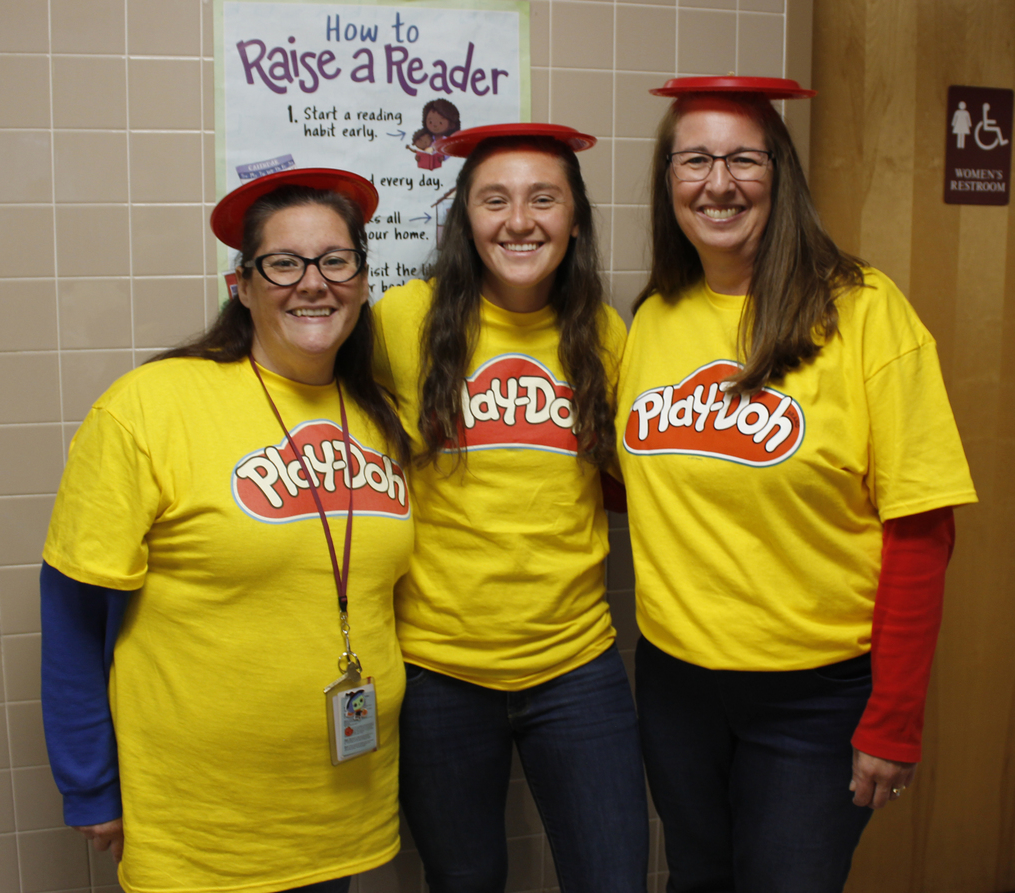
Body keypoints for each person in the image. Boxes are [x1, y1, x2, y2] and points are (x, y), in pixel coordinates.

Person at [617, 77, 978, 893]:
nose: (718, 182)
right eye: (695, 159)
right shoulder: (655, 317)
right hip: (677, 686)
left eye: (743, 158)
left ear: (780, 173)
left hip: (814, 701)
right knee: (697, 879)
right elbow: (641, 486)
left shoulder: (864, 310)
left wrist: (895, 718)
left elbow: (922, 530)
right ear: (666, 179)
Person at [40, 168, 413, 893]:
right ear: (240, 284)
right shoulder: (149, 406)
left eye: (336, 260)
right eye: (284, 263)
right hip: (201, 829)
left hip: (340, 813)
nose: (314, 282)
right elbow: (72, 614)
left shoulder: (380, 415)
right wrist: (91, 786)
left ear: (365, 282)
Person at [373, 123, 650, 893]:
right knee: (464, 879)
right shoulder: (404, 319)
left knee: (613, 875)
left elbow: (635, 476)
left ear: (574, 218)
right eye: (495, 199)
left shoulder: (603, 329)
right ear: (465, 217)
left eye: (543, 199)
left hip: (576, 666)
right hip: (438, 671)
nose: (519, 220)